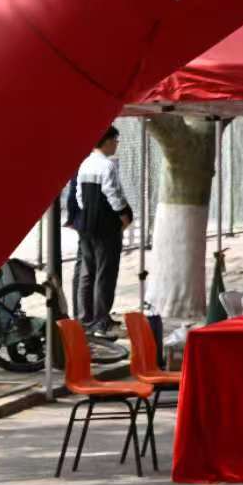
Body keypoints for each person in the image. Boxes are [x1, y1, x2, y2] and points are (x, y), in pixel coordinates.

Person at [73, 127, 133, 334]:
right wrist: (124, 215)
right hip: (106, 227)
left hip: (86, 225)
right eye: (116, 140)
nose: (117, 144)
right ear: (107, 141)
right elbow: (113, 194)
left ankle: (85, 318)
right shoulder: (107, 165)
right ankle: (101, 321)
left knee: (87, 272)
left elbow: (80, 196)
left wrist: (89, 214)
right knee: (105, 273)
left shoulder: (85, 163)